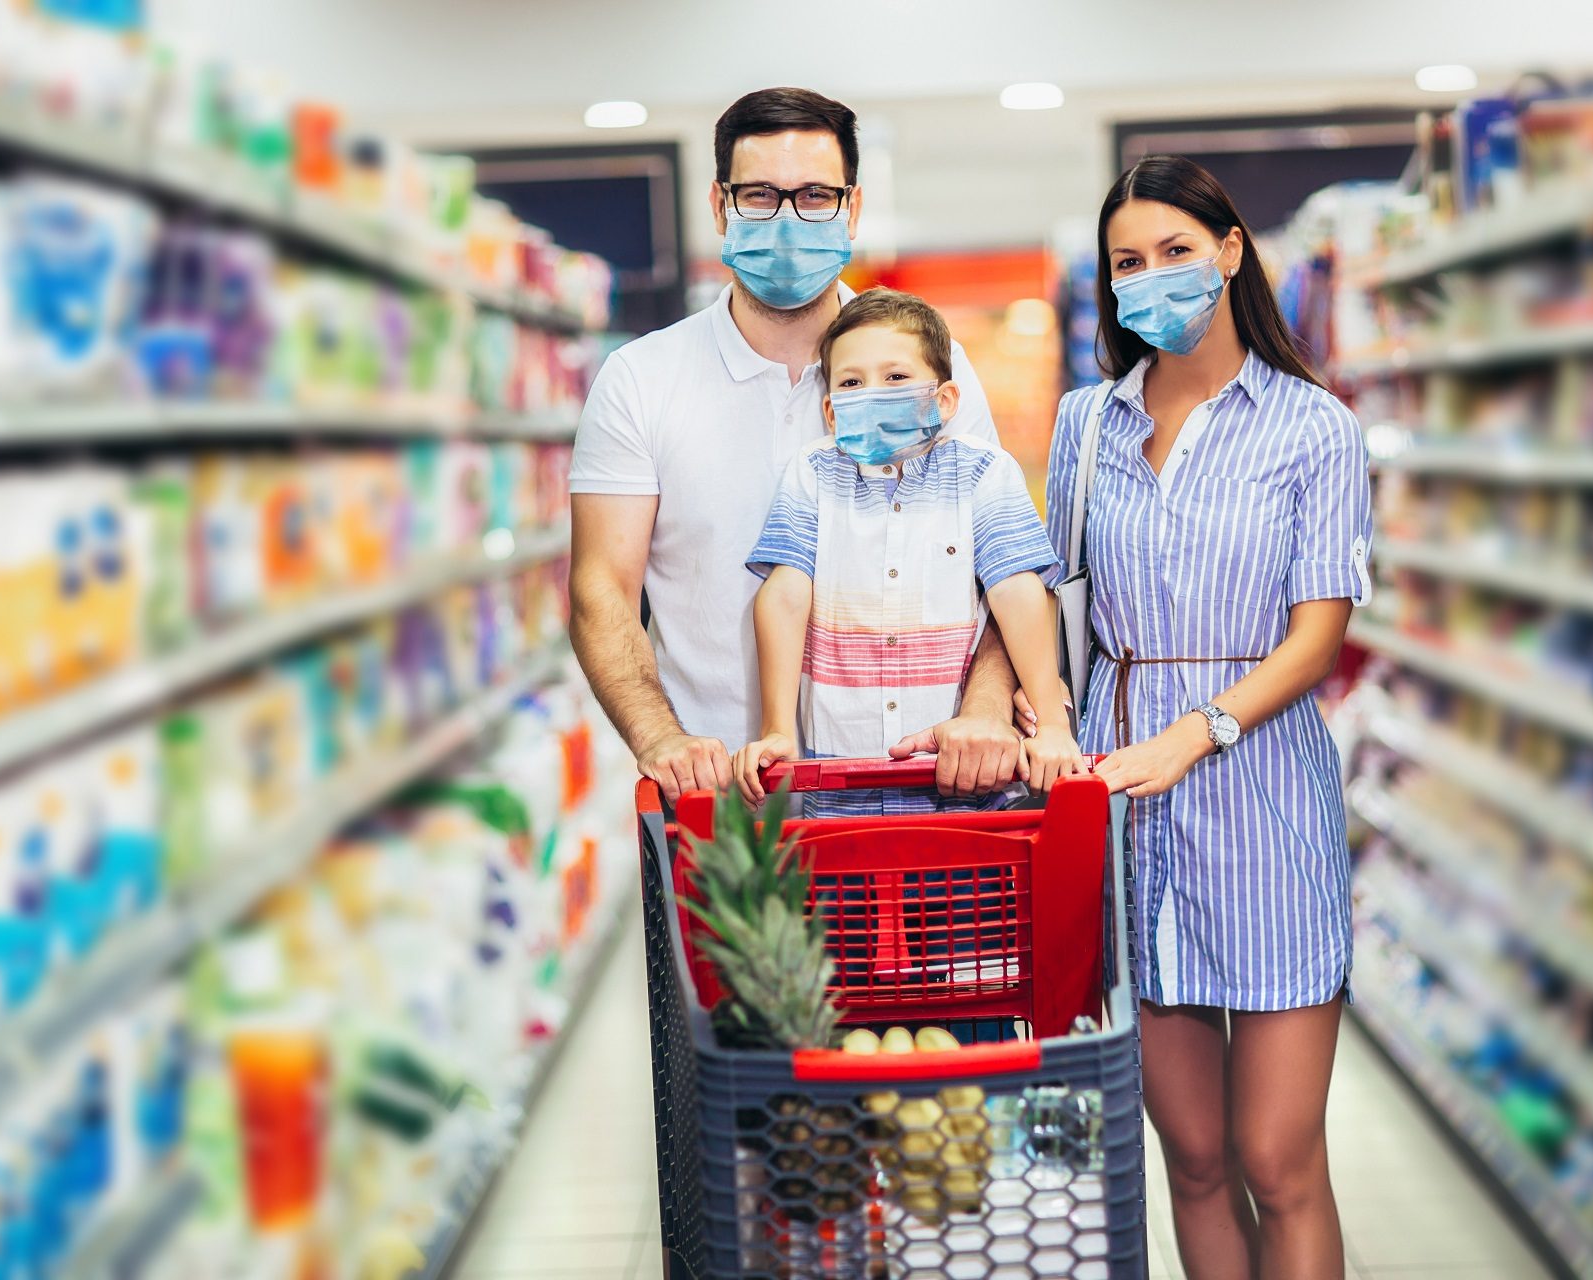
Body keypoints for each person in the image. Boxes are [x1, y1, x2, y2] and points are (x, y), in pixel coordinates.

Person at [1032, 156, 1372, 1280]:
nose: (1152, 276)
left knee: (1278, 1155)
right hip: (1130, 802)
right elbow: (1049, 606)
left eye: (1176, 250)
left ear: (1230, 251)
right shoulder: (1086, 426)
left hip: (1265, 795)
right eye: (1129, 261)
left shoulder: (1312, 426)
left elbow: (1318, 635)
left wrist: (1200, 731)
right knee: (1191, 1152)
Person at [566, 87, 1022, 804]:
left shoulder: (932, 371)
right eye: (759, 196)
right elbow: (602, 588)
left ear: (853, 208)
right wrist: (661, 738)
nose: (786, 221)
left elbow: (1003, 570)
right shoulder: (641, 380)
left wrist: (987, 711)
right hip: (722, 812)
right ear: (720, 207)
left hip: (915, 790)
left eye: (814, 195)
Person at [734, 289, 1084, 814]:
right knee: (842, 897)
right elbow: (784, 593)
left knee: (968, 898)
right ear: (831, 410)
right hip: (838, 783)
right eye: (851, 382)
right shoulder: (813, 474)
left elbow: (1019, 591)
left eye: (895, 377)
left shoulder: (983, 472)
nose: (872, 392)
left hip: (965, 786)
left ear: (945, 400)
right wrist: (777, 728)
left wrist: (1052, 725)